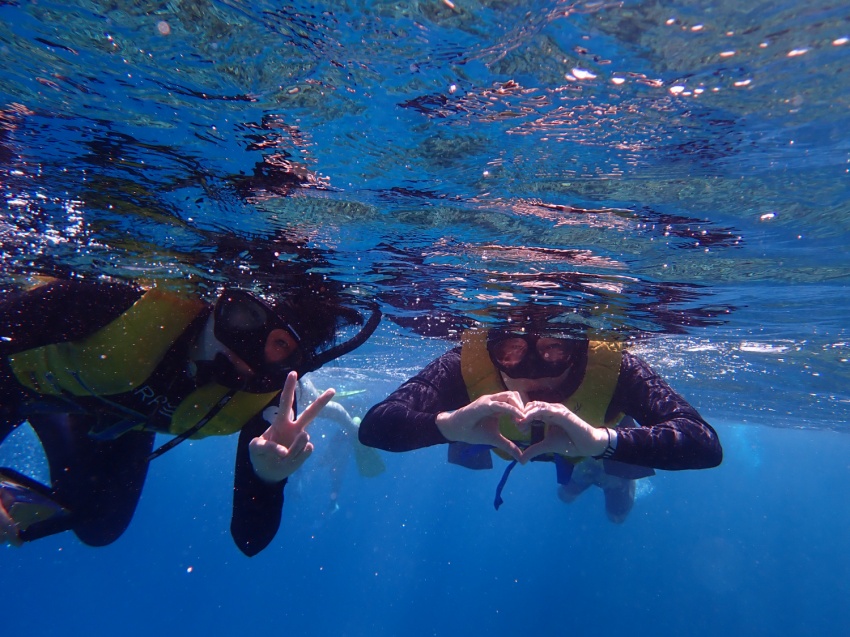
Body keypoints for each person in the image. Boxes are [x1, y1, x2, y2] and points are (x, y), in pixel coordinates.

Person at [0, 277, 380, 555]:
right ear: (222, 302)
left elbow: (250, 540)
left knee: (98, 525)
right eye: (247, 317)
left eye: (281, 345)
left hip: (119, 417)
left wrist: (268, 478)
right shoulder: (115, 302)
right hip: (17, 387)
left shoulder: (272, 405)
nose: (249, 346)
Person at [359, 318, 722, 522]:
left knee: (616, 508)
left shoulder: (616, 366)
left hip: (591, 437)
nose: (533, 372)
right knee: (570, 493)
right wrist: (445, 426)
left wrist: (603, 443)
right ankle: (593, 467)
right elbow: (376, 426)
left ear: (578, 350)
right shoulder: (462, 365)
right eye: (511, 351)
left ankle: (603, 471)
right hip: (497, 439)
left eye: (555, 349)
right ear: (492, 351)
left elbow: (703, 442)